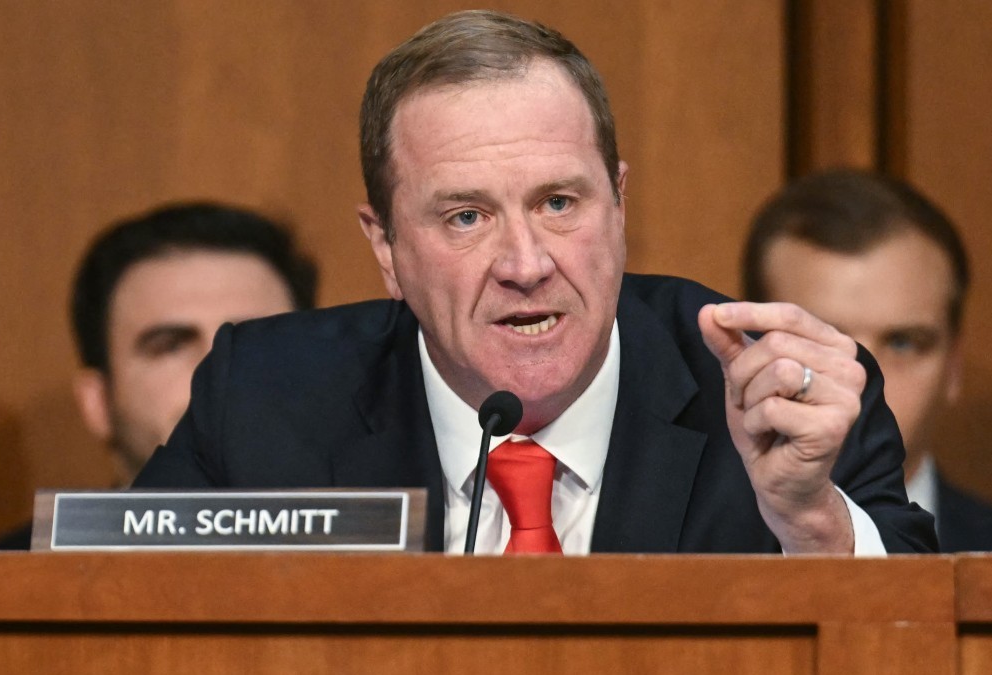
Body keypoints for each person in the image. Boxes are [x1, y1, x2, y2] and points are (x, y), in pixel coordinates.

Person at [135, 10, 936, 555]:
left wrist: (812, 523)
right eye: (465, 218)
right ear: (384, 247)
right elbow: (110, 613)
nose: (525, 264)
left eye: (559, 203)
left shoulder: (778, 404)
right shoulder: (263, 401)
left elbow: (919, 647)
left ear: (619, 204)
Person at [742, 169, 992, 552]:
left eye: (904, 343)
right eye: (823, 340)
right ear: (753, 353)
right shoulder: (674, 554)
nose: (862, 381)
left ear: (953, 366)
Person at [0, 202, 319, 549]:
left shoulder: (378, 569)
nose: (219, 370)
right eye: (170, 346)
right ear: (98, 401)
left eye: (256, 339)